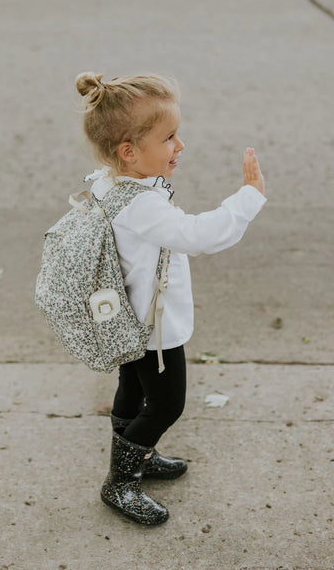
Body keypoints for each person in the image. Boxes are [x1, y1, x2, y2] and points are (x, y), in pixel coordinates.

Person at [76, 71, 267, 526]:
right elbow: (197, 235)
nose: (179, 146)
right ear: (130, 151)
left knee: (133, 389)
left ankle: (136, 456)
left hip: (127, 317)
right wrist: (248, 197)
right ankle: (120, 481)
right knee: (166, 404)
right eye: (170, 137)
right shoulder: (142, 205)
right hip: (151, 326)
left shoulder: (110, 182)